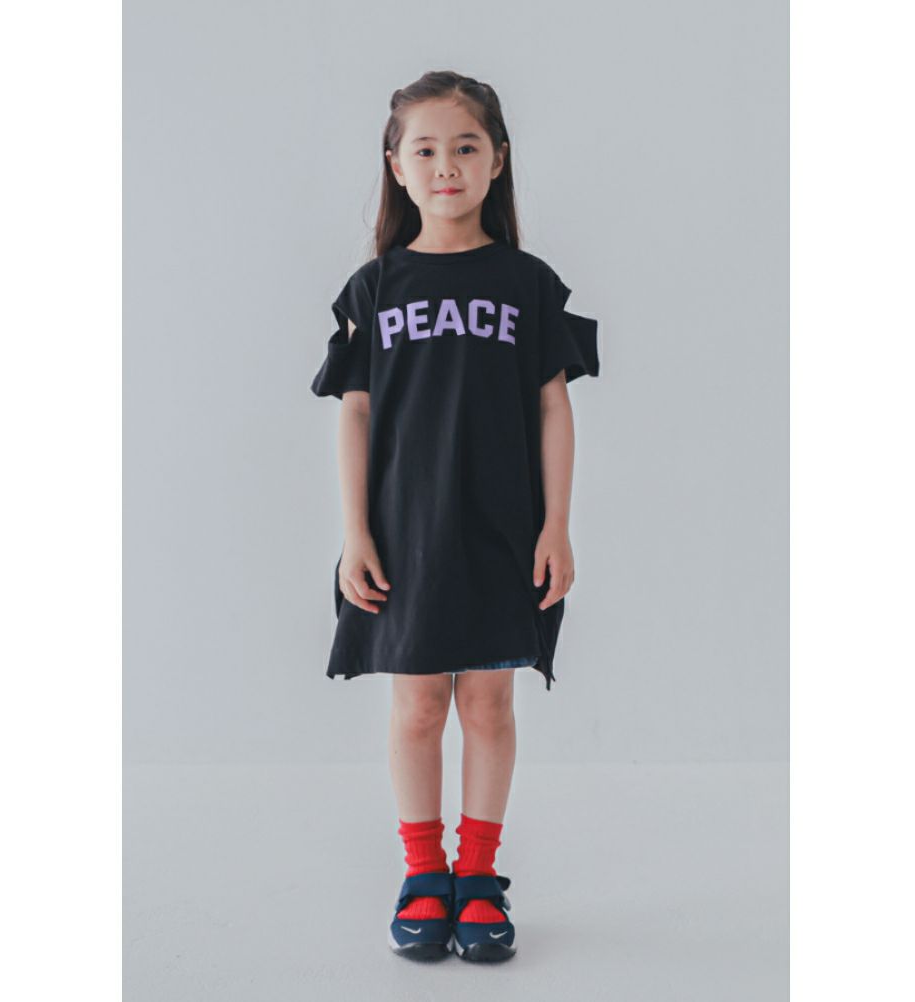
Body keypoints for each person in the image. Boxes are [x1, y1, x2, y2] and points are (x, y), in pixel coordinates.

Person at [310, 70, 600, 963]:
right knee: (417, 706)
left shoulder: (527, 284)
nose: (446, 165)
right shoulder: (376, 288)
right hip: (405, 532)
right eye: (426, 149)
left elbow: (553, 406)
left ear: (497, 161)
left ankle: (478, 875)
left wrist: (557, 525)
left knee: (488, 700)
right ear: (396, 166)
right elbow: (355, 415)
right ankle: (423, 873)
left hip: (504, 528)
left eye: (465, 147)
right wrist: (356, 533)